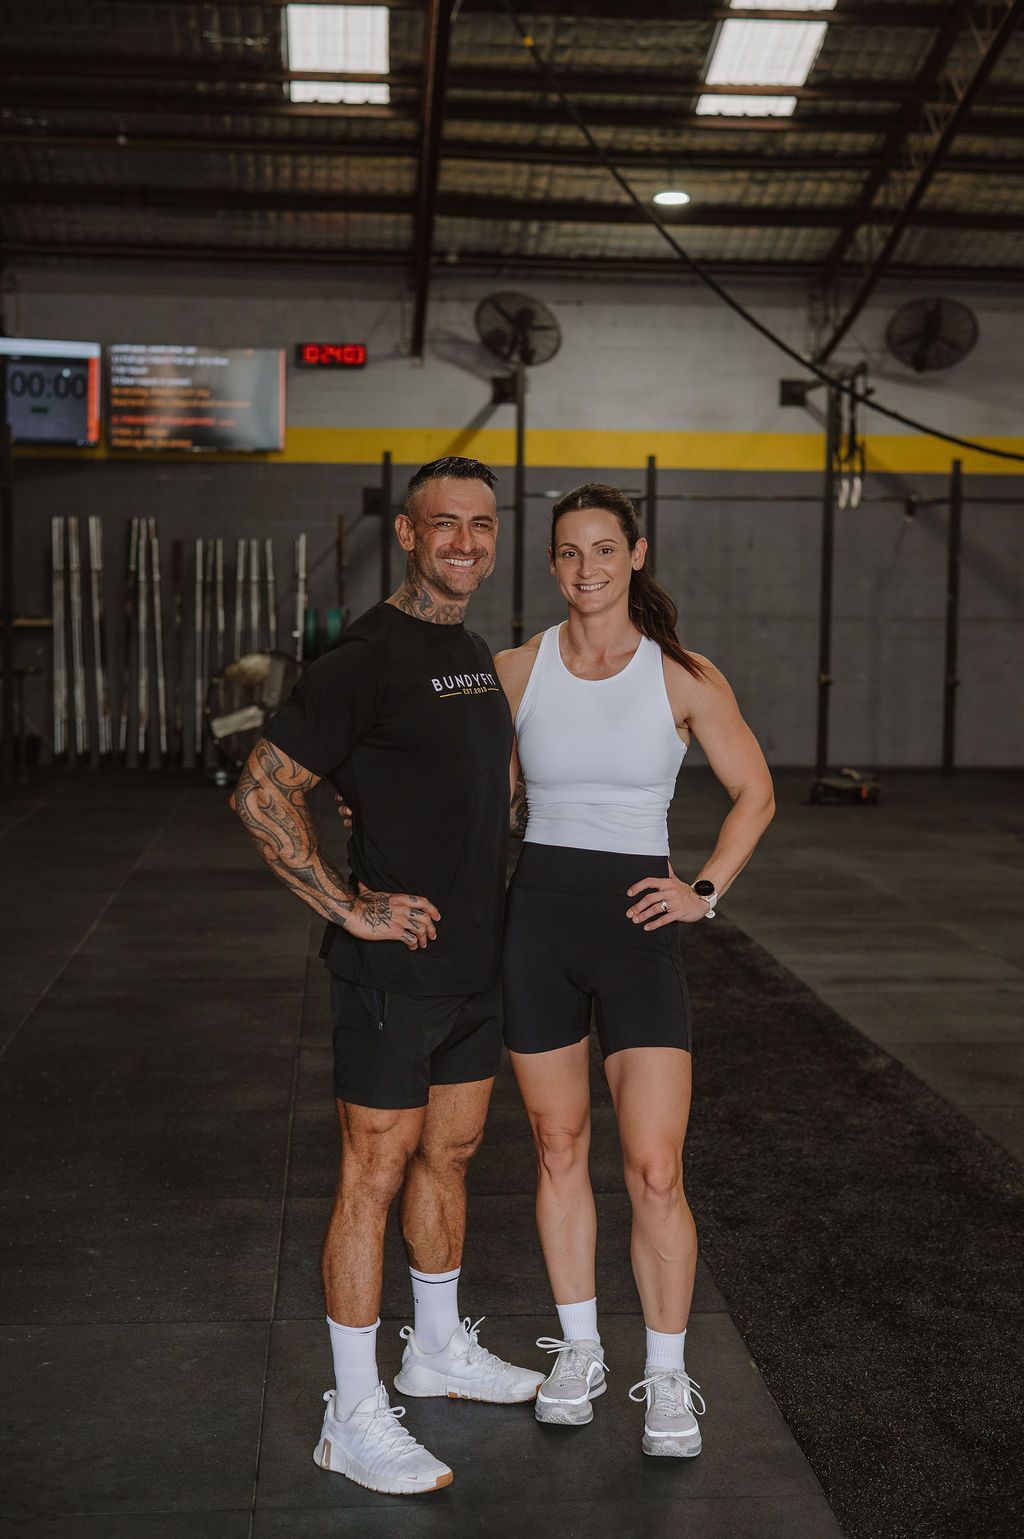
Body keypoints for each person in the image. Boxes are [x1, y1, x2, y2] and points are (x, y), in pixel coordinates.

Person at [232, 456, 543, 1499]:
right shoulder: (362, 658)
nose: (465, 542)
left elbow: (474, 788)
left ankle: (436, 1348)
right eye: (444, 524)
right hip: (390, 973)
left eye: (482, 525)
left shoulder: (469, 653)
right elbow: (261, 789)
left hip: (473, 964)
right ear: (408, 535)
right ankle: (352, 1413)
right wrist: (348, 906)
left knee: (449, 1155)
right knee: (372, 1174)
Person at [495, 483, 775, 1459]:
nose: (587, 568)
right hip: (537, 924)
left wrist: (703, 891)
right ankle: (579, 1350)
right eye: (570, 552)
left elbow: (754, 792)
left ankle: (664, 1371)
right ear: (552, 563)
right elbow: (485, 796)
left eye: (604, 549)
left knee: (655, 1167)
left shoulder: (682, 675)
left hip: (636, 928)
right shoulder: (518, 670)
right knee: (557, 1144)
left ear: (635, 554)